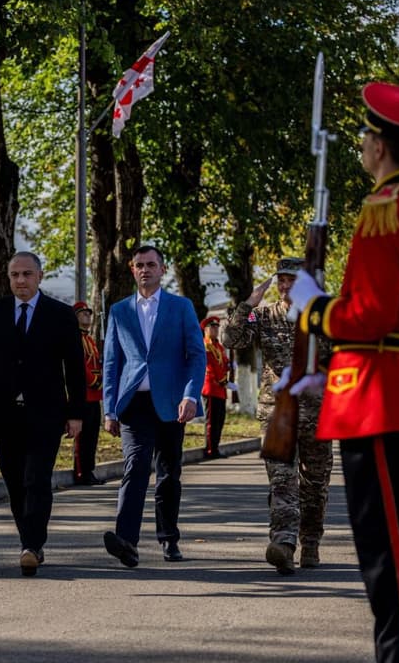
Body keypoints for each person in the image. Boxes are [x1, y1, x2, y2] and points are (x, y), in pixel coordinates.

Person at [288, 82, 399, 662]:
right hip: (377, 387)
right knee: (387, 552)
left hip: (376, 400)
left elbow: (369, 314)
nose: (360, 142)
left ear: (380, 146)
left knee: (388, 557)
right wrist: (326, 373)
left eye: (365, 134)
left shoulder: (386, 209)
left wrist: (313, 306)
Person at [0, 252, 86, 576]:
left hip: (46, 412)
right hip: (4, 413)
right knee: (15, 483)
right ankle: (27, 540)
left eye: (27, 274)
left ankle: (33, 544)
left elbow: (74, 367)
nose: (21, 281)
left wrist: (76, 413)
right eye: (15, 275)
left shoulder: (59, 314)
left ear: (40, 276)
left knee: (37, 479)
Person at [222, 257, 334, 574]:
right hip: (277, 412)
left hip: (316, 412)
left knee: (314, 484)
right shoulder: (266, 316)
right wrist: (247, 304)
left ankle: (310, 542)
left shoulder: (322, 316)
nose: (285, 286)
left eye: (292, 280)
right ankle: (284, 544)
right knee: (282, 482)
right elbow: (230, 339)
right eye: (281, 280)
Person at [102, 245, 207, 567]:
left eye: (151, 264)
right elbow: (111, 361)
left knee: (168, 474)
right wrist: (109, 408)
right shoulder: (119, 310)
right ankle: (126, 541)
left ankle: (168, 538)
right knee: (135, 468)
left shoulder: (181, 307)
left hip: (172, 404)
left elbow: (196, 355)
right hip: (134, 403)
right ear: (132, 270)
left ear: (163, 270)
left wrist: (190, 396)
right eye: (139, 265)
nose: (145, 270)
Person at [73, 301, 105, 485]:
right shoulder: (75, 338)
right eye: (83, 313)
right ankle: (80, 472)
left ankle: (89, 470)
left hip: (94, 395)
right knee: (82, 437)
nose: (87, 316)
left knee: (92, 436)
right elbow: (79, 365)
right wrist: (94, 380)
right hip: (83, 393)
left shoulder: (90, 340)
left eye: (88, 313)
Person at [200, 316, 230, 459]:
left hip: (221, 388)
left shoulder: (218, 345)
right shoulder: (205, 345)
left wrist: (229, 367)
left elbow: (224, 362)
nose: (215, 330)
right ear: (205, 329)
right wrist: (223, 379)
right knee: (211, 420)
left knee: (220, 419)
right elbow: (211, 365)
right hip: (211, 387)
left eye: (217, 327)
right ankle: (210, 449)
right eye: (212, 327)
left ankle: (216, 447)